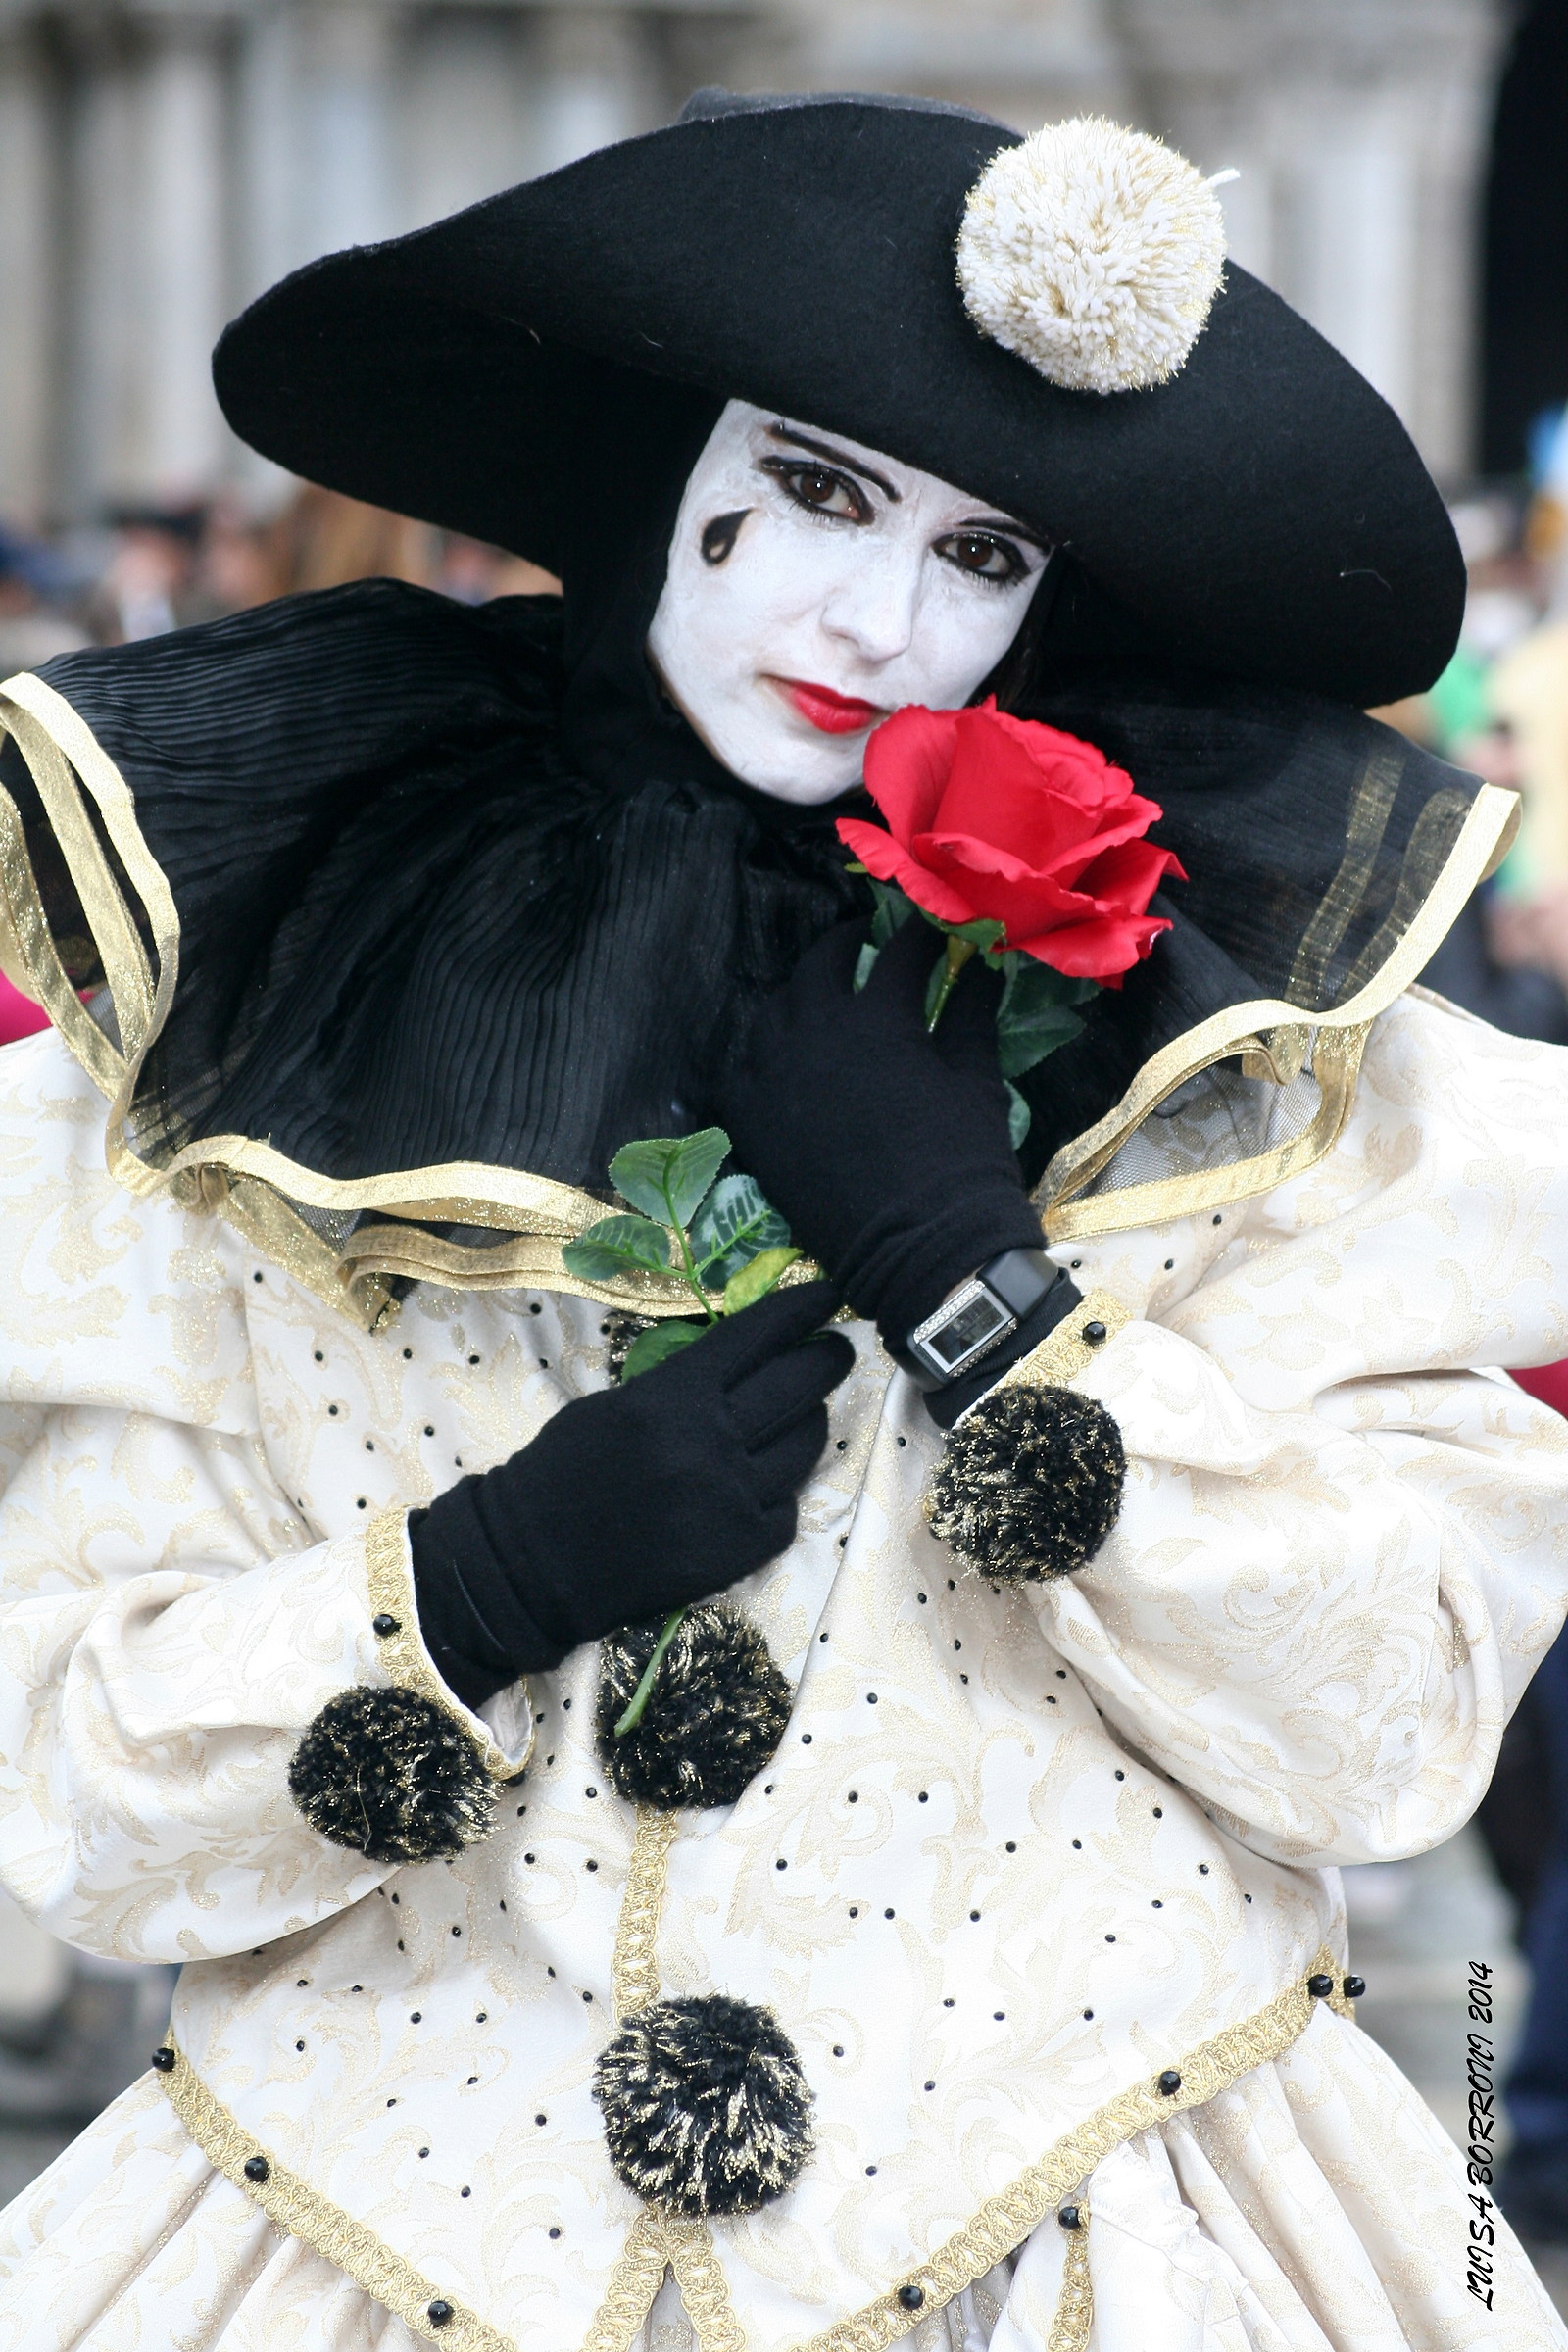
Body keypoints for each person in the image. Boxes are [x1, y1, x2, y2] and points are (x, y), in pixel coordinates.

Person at [0, 88, 1564, 2351]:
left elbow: (1382, 1737)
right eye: (814, 493)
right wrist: (473, 1583)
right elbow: (77, 1804)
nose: (872, 612)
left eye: (981, 554)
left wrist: (990, 1303)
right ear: (659, 487)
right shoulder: (272, 998)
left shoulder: (1252, 1064)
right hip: (362, 2230)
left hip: (1105, 2234)